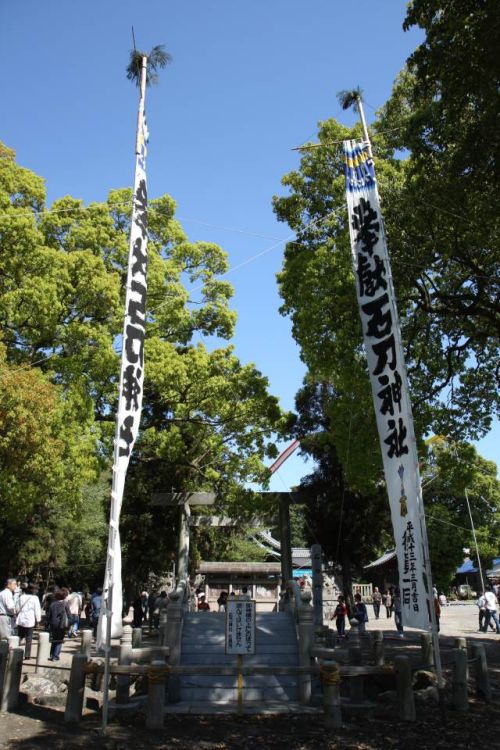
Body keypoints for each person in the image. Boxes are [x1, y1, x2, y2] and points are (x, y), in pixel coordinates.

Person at [16, 584, 42, 659]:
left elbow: (17, 608)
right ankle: (27, 655)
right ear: (33, 590)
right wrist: (38, 620)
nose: (36, 591)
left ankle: (15, 650)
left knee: (19, 636)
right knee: (29, 638)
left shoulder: (21, 597)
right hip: (29, 620)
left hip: (21, 619)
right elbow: (37, 610)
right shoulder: (35, 598)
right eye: (36, 589)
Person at [48, 588, 70, 661]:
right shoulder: (65, 604)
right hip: (61, 624)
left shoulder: (52, 604)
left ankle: (51, 655)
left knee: (54, 639)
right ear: (64, 596)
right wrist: (69, 624)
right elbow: (69, 615)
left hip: (53, 624)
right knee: (59, 640)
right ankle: (55, 656)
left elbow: (49, 616)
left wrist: (47, 624)